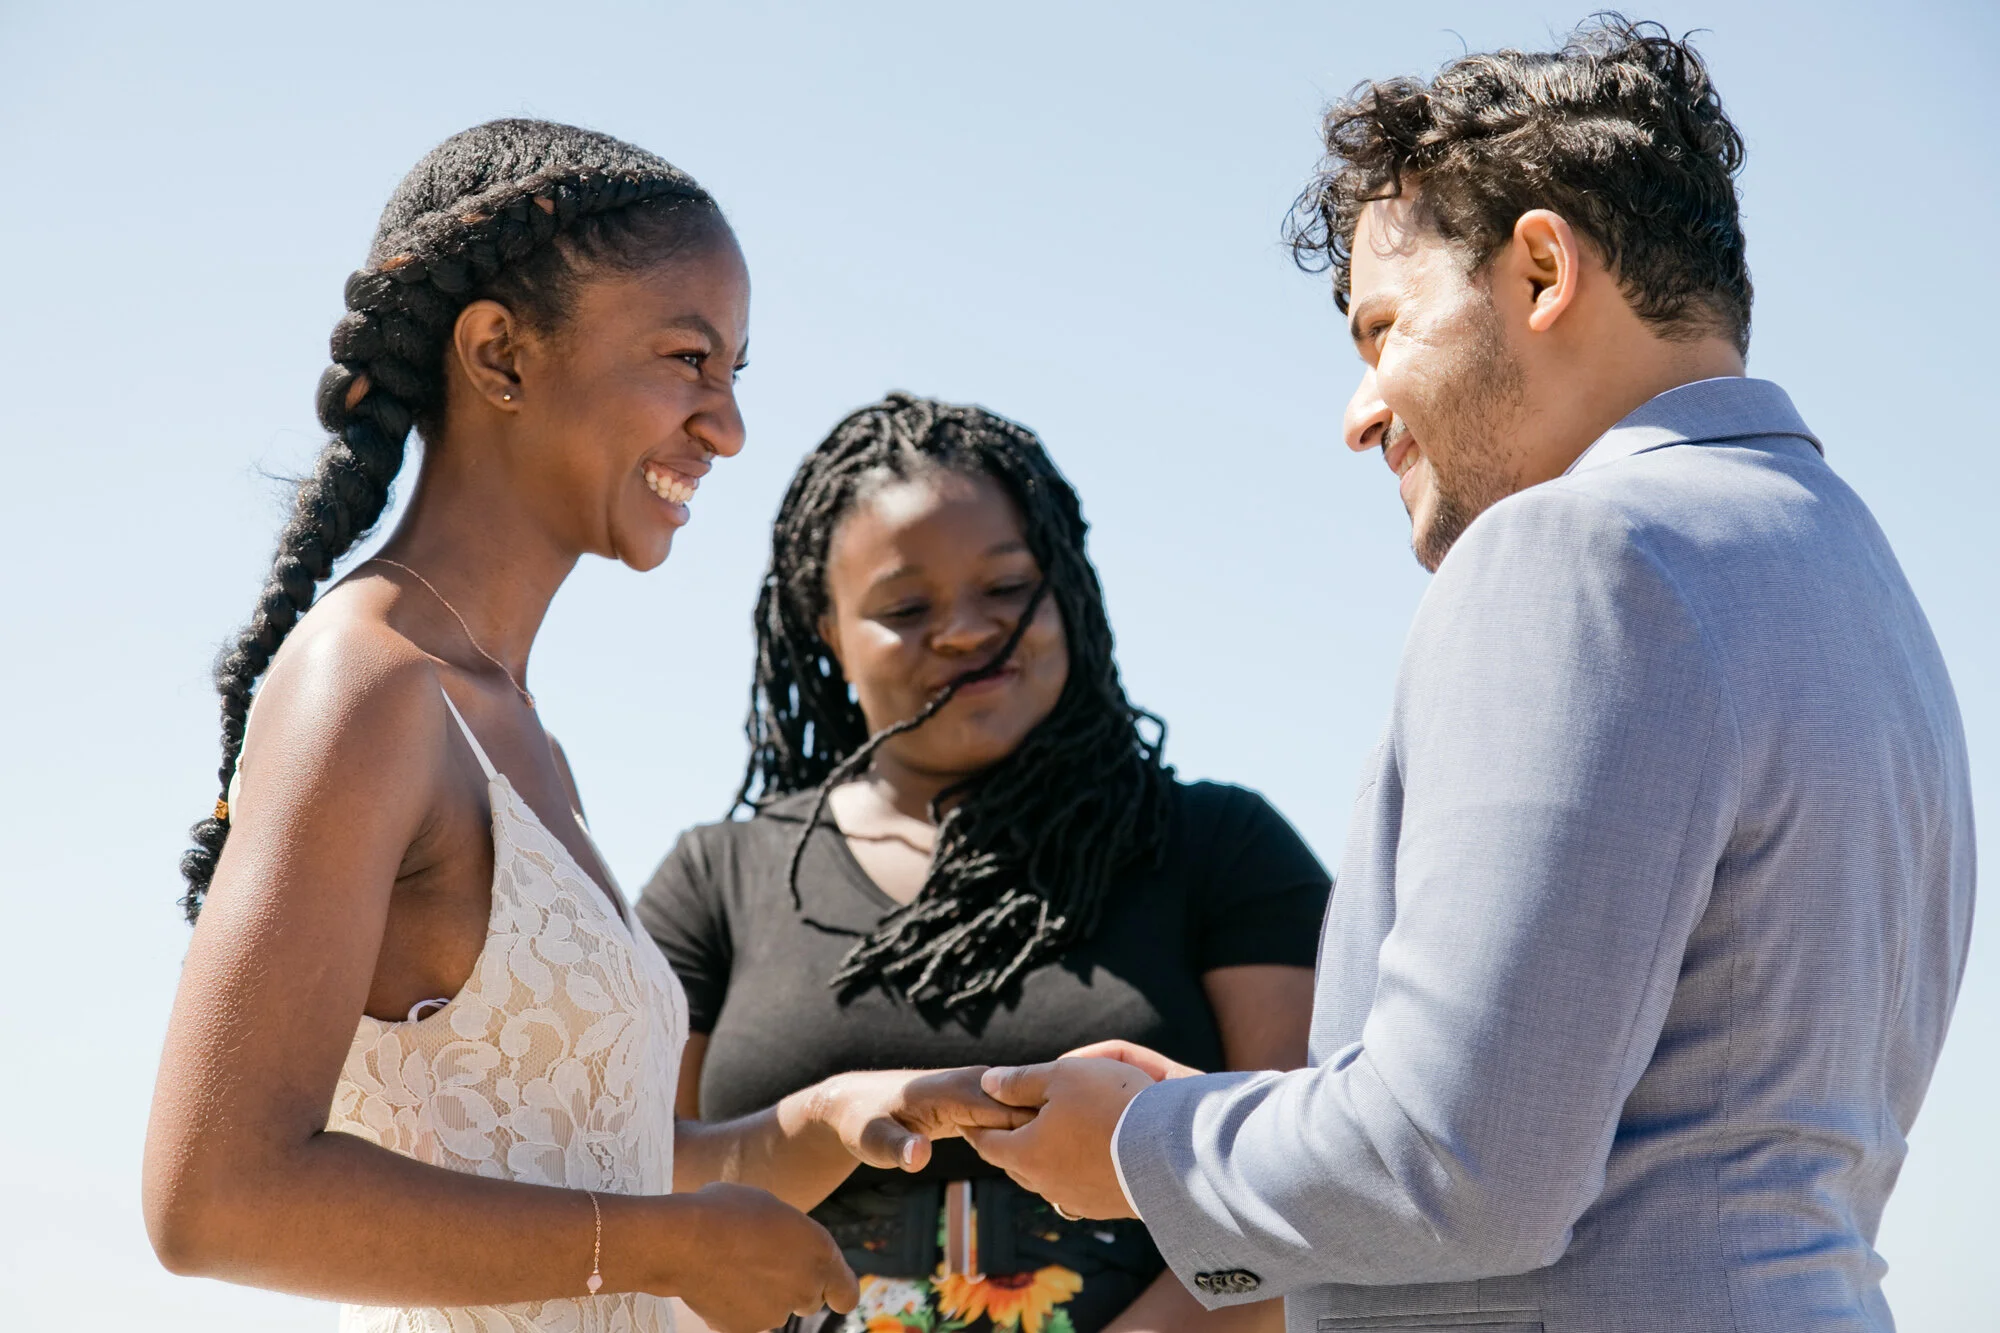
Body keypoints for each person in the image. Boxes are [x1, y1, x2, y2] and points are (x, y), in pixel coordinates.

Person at [964, 18, 1975, 1333]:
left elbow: (1456, 1165)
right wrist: (1253, 1118)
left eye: (1384, 329)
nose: (1361, 409)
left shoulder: (1577, 551)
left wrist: (1142, 1144)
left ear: (1543, 267)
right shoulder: (1859, 578)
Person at [142, 121, 1024, 1333]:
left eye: (734, 374)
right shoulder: (368, 685)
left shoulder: (518, 734)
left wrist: (814, 1122)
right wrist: (666, 1246)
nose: (726, 425)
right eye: (686, 358)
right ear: (499, 353)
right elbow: (213, 1197)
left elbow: (583, 1177)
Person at [636, 394, 1331, 1333]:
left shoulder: (1223, 849)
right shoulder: (716, 882)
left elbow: (1303, 1194)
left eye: (1006, 588)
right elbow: (635, 1182)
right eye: (906, 606)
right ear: (826, 631)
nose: (965, 630)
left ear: (1068, 590)